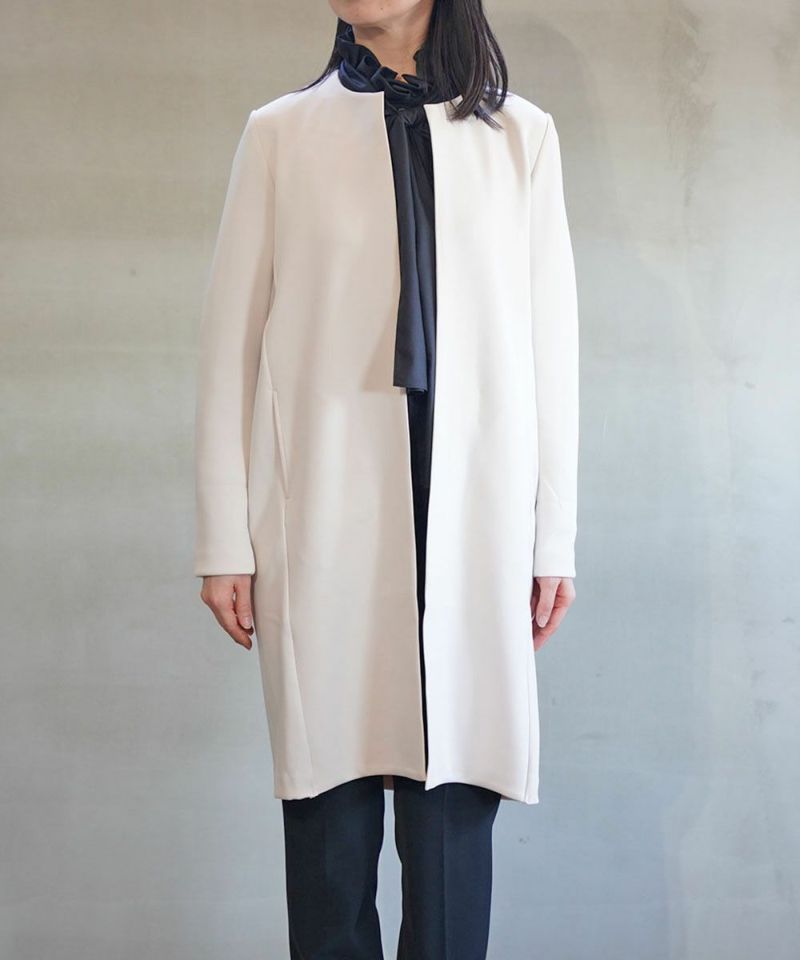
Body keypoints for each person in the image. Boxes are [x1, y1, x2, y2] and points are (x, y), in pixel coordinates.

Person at [193, 1, 579, 956]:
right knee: (329, 826)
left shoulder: (521, 138)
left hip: (471, 512)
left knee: (453, 830)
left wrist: (553, 538)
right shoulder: (281, 134)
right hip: (326, 509)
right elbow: (227, 349)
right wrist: (222, 538)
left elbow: (552, 351)